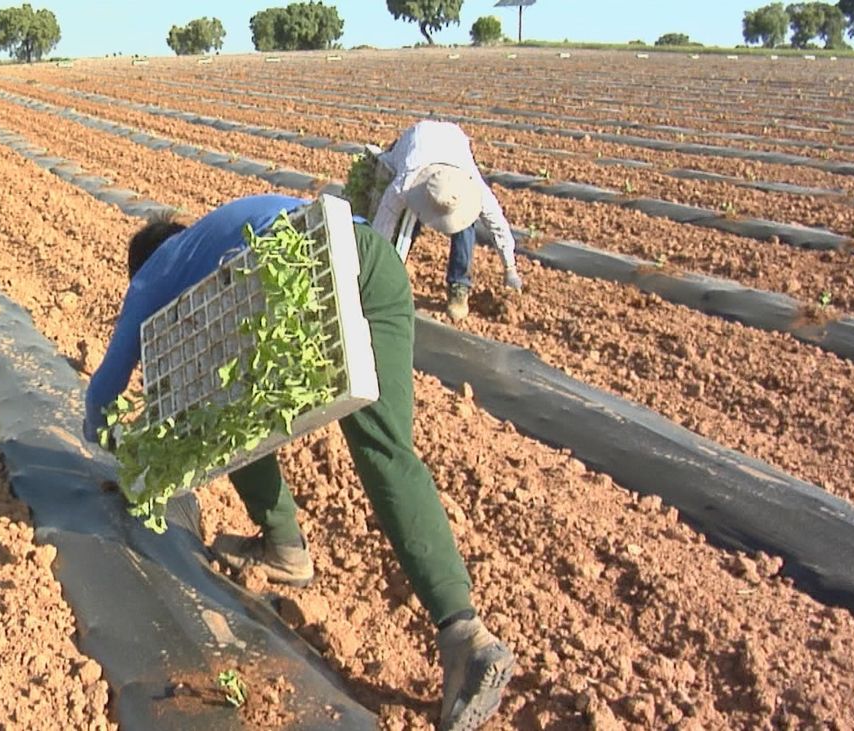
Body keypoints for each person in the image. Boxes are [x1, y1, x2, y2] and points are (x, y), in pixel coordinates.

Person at [82, 194, 516, 730]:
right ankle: (464, 633)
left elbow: (103, 392)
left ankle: (285, 542)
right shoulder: (209, 236)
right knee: (384, 447)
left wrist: (107, 441)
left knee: (222, 411)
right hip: (370, 258)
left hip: (307, 270)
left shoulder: (153, 275)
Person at [368, 120, 523, 321]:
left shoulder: (474, 187)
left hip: (453, 141)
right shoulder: (405, 182)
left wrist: (510, 268)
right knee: (405, 221)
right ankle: (395, 274)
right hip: (418, 139)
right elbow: (383, 227)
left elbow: (497, 225)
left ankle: (459, 287)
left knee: (466, 221)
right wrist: (377, 270)